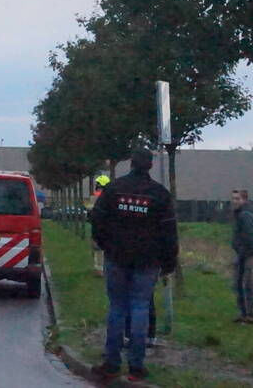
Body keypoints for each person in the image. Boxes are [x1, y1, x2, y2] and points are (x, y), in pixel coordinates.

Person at [89, 148, 178, 383]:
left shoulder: (114, 189)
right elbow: (169, 232)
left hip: (117, 257)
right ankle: (136, 367)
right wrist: (169, 262)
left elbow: (97, 219)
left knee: (117, 308)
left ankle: (111, 363)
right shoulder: (160, 195)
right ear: (149, 165)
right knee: (140, 308)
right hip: (148, 261)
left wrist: (106, 245)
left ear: (131, 164)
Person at [231, 188, 253, 324]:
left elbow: (249, 236)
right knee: (238, 283)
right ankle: (243, 313)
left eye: (237, 199)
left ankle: (249, 315)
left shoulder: (245, 214)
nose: (234, 201)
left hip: (245, 254)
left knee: (246, 284)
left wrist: (243, 252)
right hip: (241, 252)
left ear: (244, 199)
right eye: (233, 198)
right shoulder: (240, 213)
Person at [86, 174, 111, 275]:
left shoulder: (93, 197)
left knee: (97, 248)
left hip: (96, 226)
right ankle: (104, 268)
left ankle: (99, 269)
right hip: (109, 227)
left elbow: (89, 211)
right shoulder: (111, 196)